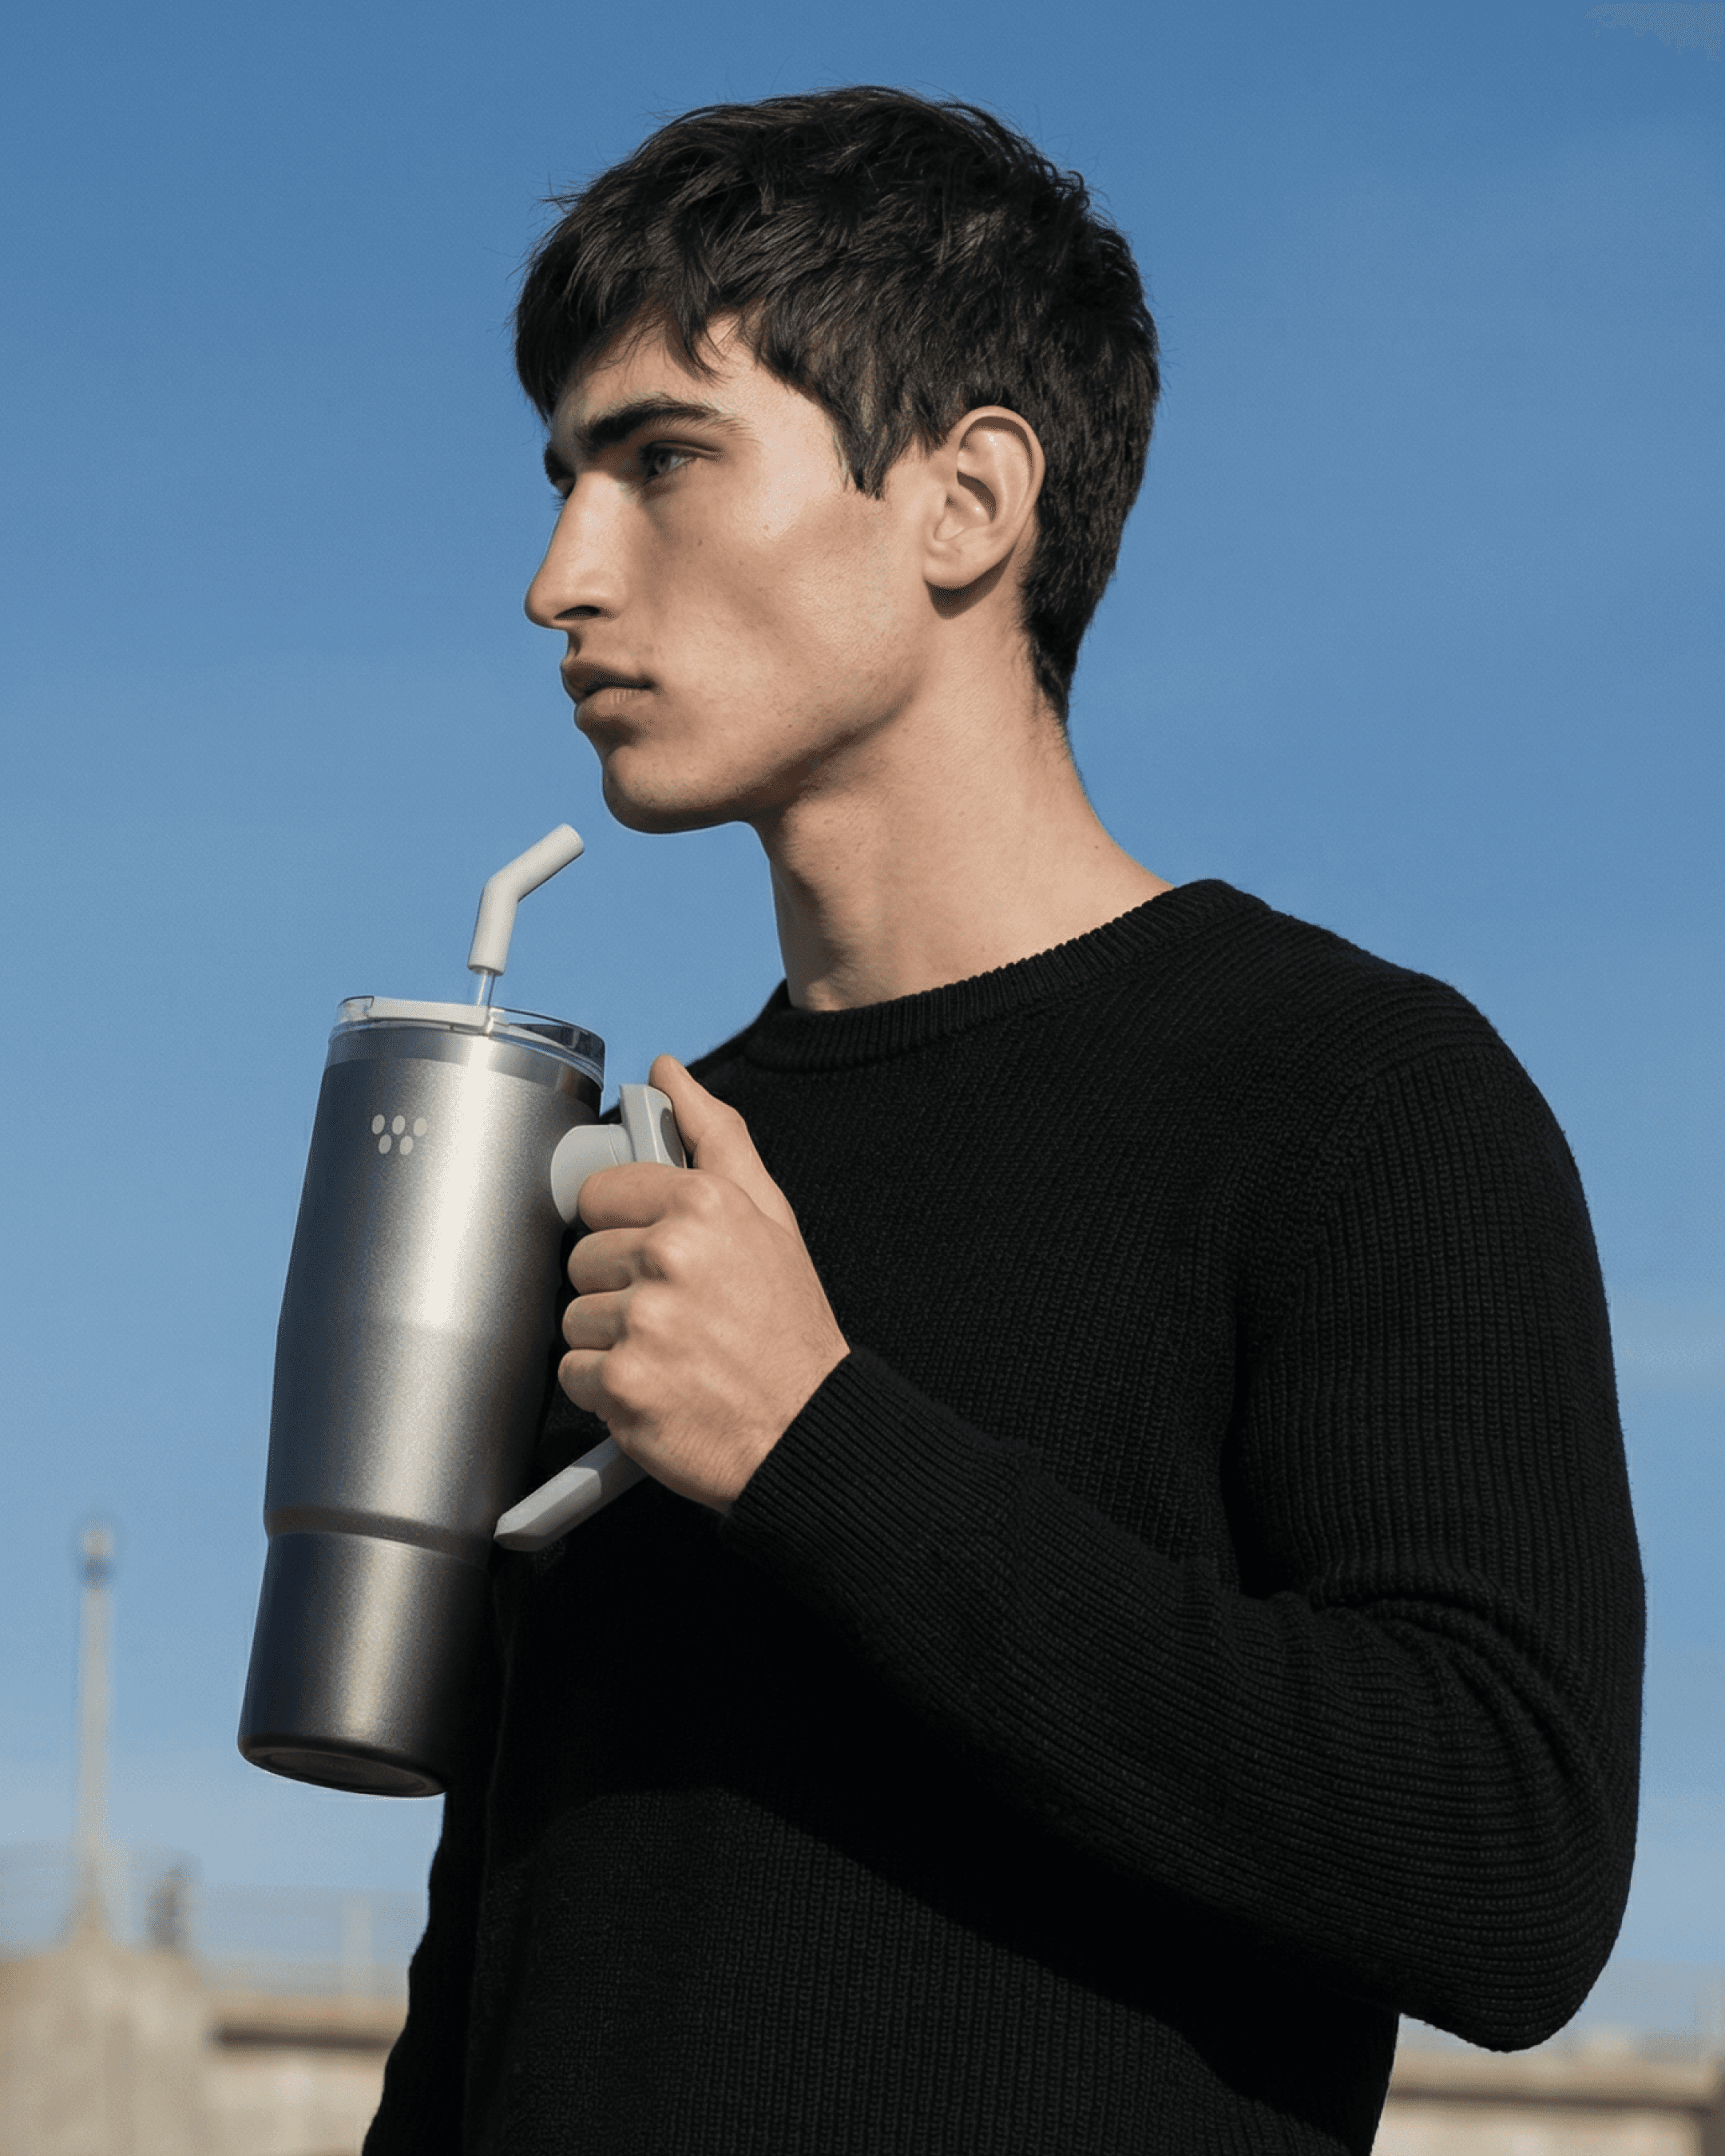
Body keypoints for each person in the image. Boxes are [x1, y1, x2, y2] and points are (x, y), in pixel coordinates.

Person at [365, 88, 1643, 2155]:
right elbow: (492, 1989)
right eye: (559, 478)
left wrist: (820, 1447)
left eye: (660, 458)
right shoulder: (642, 1185)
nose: (557, 576)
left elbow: (1507, 1867)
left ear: (966, 502)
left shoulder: (1359, 1102)